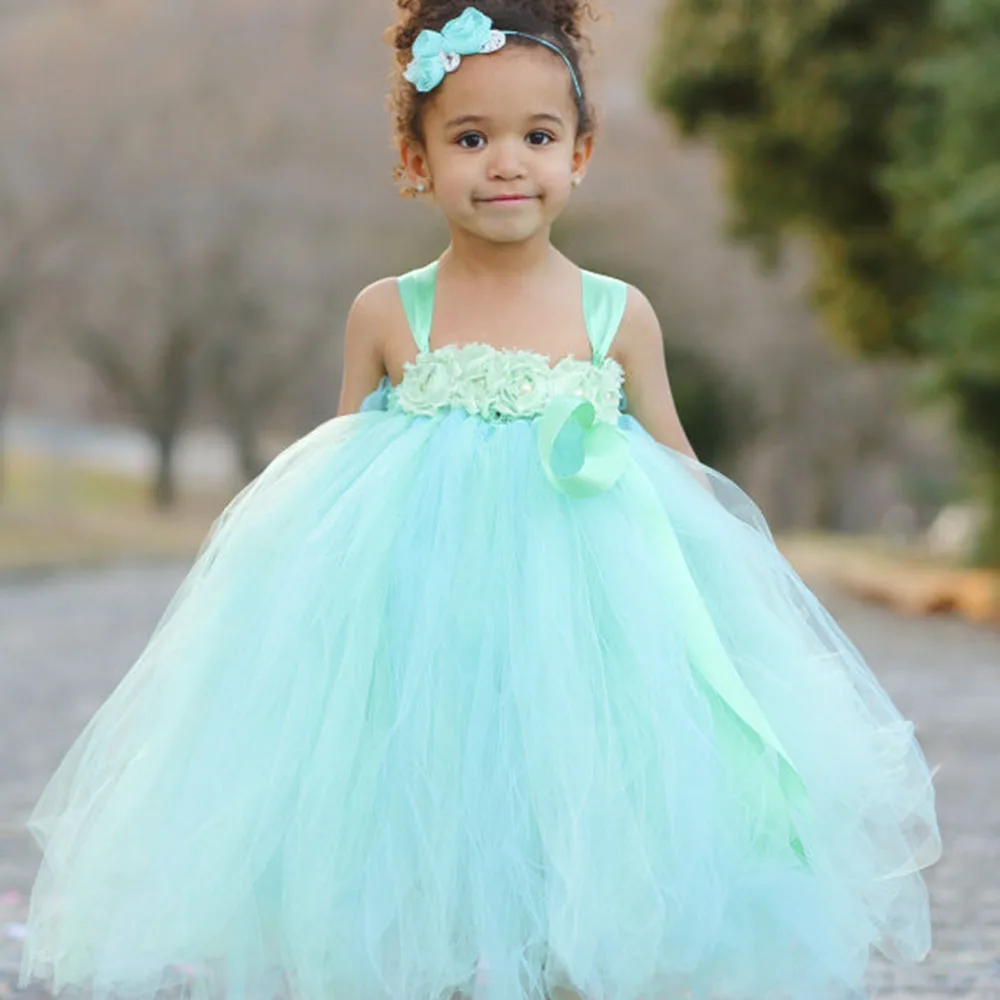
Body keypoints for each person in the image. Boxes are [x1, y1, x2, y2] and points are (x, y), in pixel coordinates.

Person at [18, 3, 942, 1000]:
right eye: (469, 139)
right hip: (432, 630)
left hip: (586, 630)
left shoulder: (616, 313)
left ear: (579, 154)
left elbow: (679, 466)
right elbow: (340, 478)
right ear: (415, 161)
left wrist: (731, 605)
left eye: (537, 137)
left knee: (576, 804)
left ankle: (569, 974)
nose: (506, 163)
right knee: (435, 813)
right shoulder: (388, 312)